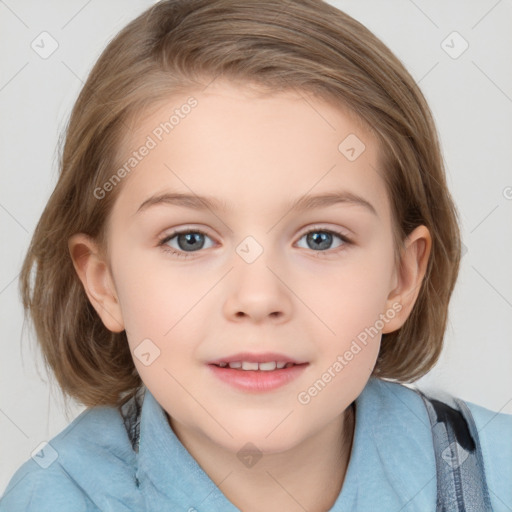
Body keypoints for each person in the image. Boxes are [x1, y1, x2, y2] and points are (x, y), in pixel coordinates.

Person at [1, 0, 510, 511]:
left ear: (401, 278)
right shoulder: (53, 498)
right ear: (104, 282)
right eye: (189, 239)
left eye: (321, 238)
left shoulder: (496, 472)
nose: (259, 297)